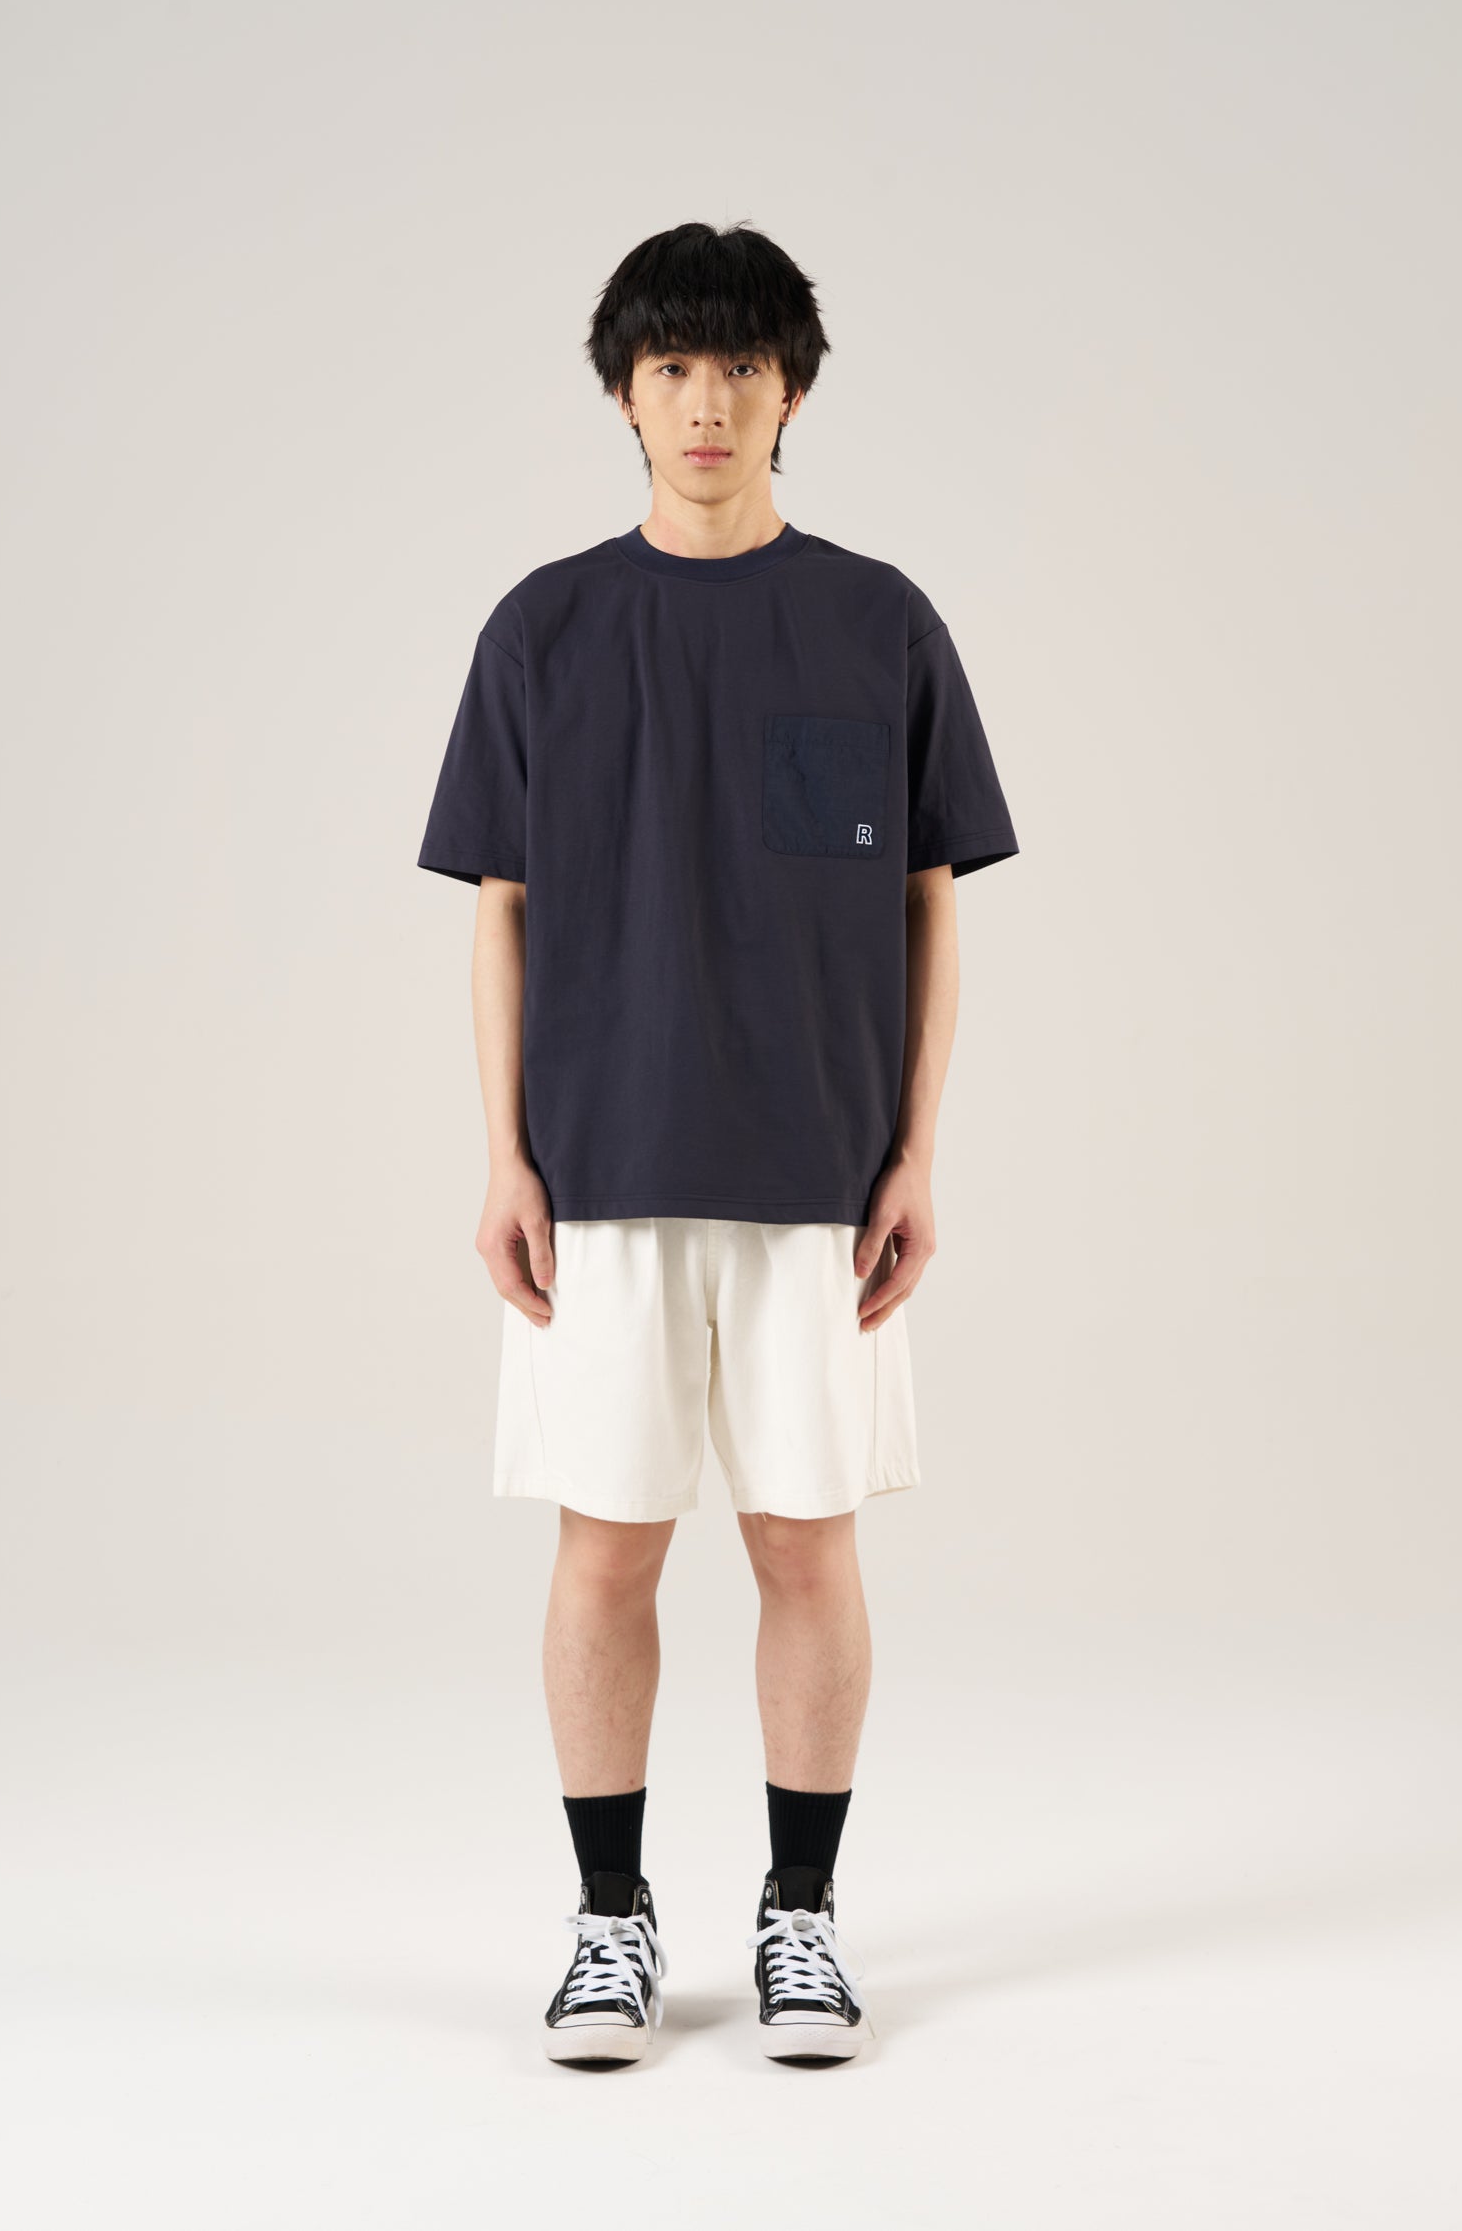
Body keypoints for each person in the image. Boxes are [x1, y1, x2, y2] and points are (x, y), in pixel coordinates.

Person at [416, 220, 1019, 2069]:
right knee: (605, 1549)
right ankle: (609, 1918)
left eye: (740, 366)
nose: (705, 400)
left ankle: (801, 1918)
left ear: (793, 393)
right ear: (624, 394)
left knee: (805, 1546)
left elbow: (928, 898)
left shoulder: (879, 622)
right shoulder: (543, 629)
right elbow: (502, 908)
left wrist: (917, 1151)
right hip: (600, 1168)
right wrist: (504, 1155)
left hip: (818, 1179)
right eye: (671, 367)